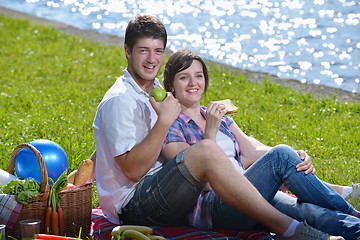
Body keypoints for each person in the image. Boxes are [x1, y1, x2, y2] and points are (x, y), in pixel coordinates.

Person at [92, 14, 343, 240]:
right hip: (135, 206)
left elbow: (111, 145)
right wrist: (165, 121)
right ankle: (288, 229)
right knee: (206, 151)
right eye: (143, 51)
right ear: (127, 51)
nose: (152, 59)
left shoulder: (154, 89)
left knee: (291, 188)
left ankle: (345, 214)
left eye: (158, 51)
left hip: (169, 190)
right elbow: (133, 171)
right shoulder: (120, 100)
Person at [161, 48, 360, 240]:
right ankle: (351, 207)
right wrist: (210, 131)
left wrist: (295, 155)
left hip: (251, 192)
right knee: (281, 155)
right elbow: (202, 184)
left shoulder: (220, 116)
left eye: (198, 75)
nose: (193, 83)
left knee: (310, 212)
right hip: (219, 207)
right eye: (183, 77)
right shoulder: (172, 128)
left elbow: (254, 151)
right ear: (171, 85)